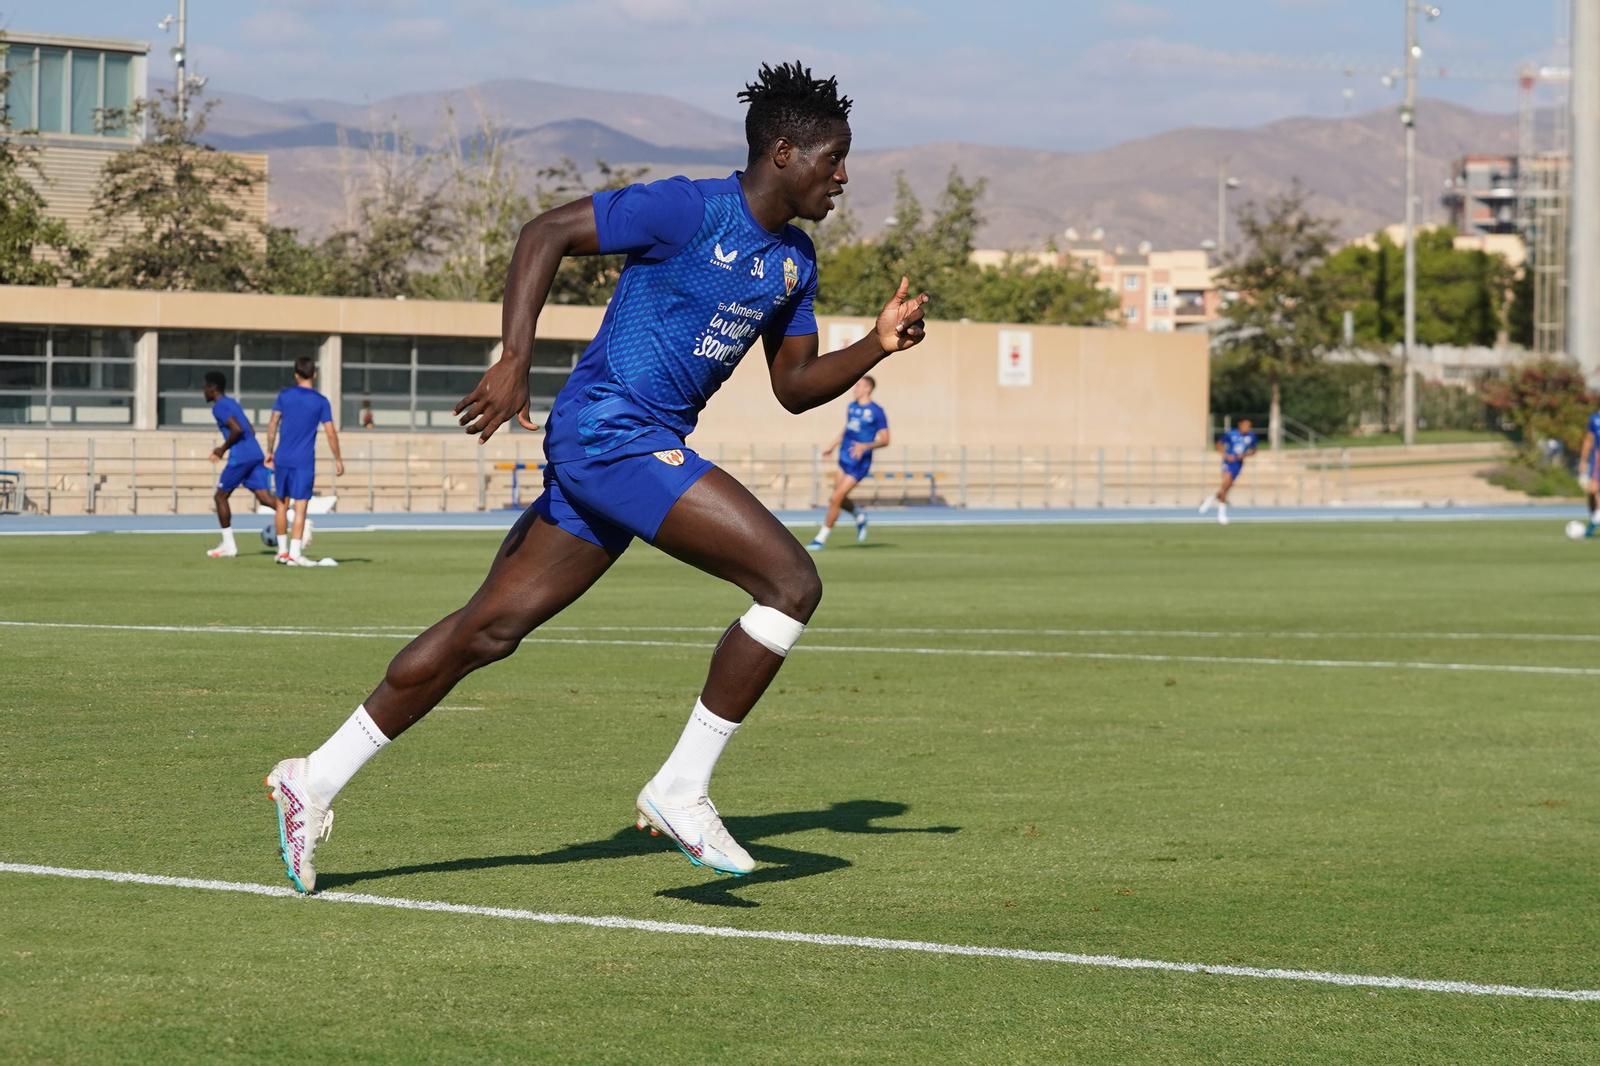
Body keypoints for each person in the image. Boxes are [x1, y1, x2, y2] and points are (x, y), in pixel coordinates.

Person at [264, 61, 929, 893]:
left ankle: (313, 776)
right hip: (609, 432)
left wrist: (876, 344)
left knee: (487, 631)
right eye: (835, 159)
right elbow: (544, 232)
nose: (844, 176)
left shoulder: (794, 262)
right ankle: (682, 787)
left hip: (629, 453)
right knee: (791, 583)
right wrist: (515, 358)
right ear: (785, 153)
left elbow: (794, 388)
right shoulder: (688, 209)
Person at [264, 357, 344, 566]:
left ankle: (282, 552)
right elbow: (330, 432)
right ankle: (294, 553)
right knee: (300, 507)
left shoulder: (284, 395)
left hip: (282, 457)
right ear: (314, 374)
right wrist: (338, 458)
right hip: (303, 461)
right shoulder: (321, 401)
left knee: (281, 505)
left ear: (296, 375)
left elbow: (272, 423)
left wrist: (269, 451)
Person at [808, 375, 888, 551]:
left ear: (868, 389)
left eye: (858, 385)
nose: (855, 388)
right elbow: (847, 428)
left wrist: (865, 446)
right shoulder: (852, 407)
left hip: (859, 462)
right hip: (844, 457)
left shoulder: (876, 411)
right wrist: (832, 446)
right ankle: (860, 516)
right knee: (838, 498)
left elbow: (885, 440)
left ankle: (820, 538)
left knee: (835, 498)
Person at [202, 372, 277, 558]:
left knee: (220, 497)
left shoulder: (219, 407)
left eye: (205, 387)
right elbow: (250, 429)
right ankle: (301, 521)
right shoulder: (233, 403)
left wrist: (222, 449)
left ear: (212, 388)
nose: (203, 391)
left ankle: (229, 546)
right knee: (265, 498)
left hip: (241, 457)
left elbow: (237, 428)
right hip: (255, 453)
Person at [1199, 418, 1256, 526]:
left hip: (1238, 464)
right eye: (1245, 425)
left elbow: (1254, 450)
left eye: (1249, 426)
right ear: (1240, 425)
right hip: (1228, 462)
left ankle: (1211, 498)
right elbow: (1219, 444)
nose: (1247, 428)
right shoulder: (1231, 434)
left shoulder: (1251, 436)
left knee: (1227, 487)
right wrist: (1226, 455)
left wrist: (1244, 455)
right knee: (1226, 484)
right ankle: (1221, 514)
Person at [1580, 411, 1600, 535]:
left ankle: (1594, 521)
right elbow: (1588, 439)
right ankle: (1594, 519)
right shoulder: (1594, 419)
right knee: (1592, 490)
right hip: (1596, 459)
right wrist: (1583, 460)